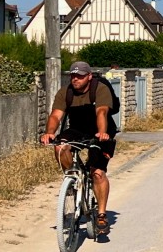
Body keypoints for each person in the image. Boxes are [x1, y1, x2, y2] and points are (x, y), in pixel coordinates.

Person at [40, 62, 116, 236]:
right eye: (73, 76)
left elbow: (101, 113)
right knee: (59, 146)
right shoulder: (65, 92)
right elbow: (55, 116)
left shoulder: (100, 89)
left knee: (97, 172)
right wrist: (49, 133)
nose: (75, 79)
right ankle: (73, 178)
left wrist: (103, 133)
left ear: (89, 76)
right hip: (78, 129)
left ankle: (102, 214)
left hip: (100, 130)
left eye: (80, 76)